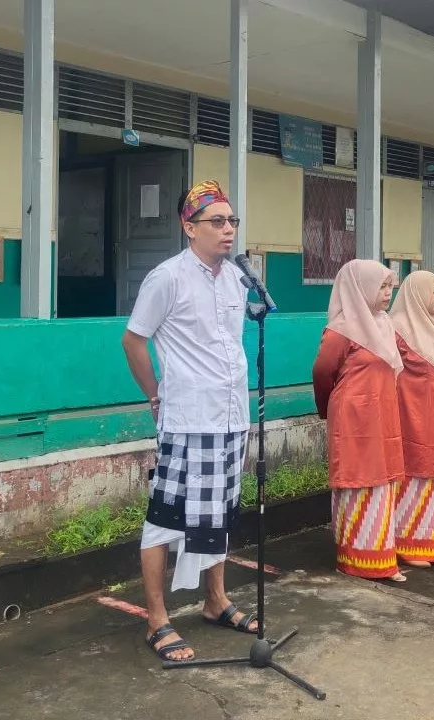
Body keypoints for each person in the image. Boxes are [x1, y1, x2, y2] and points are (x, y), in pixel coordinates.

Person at [121, 180, 258, 664]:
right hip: (187, 419)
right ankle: (157, 618)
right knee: (166, 518)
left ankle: (215, 600)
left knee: (220, 511)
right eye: (217, 222)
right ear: (188, 227)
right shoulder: (167, 278)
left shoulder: (237, 279)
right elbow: (134, 341)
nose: (228, 230)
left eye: (231, 221)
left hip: (231, 416)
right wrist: (155, 394)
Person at [312, 259, 406, 581]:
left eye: (390, 287)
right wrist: (330, 408)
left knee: (382, 481)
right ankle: (356, 559)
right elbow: (323, 372)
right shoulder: (341, 329)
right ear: (359, 288)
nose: (387, 293)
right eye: (381, 286)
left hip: (382, 415)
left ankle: (382, 556)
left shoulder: (384, 325)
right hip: (354, 417)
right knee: (358, 481)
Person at [389, 271, 434, 567]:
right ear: (416, 294)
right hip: (412, 416)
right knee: (415, 474)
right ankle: (408, 543)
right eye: (433, 292)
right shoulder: (396, 329)